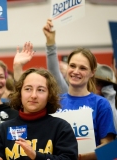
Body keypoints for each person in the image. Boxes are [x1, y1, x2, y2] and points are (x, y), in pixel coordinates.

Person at [42, 19, 116, 159]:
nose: (76, 71)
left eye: (82, 68)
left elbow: (108, 146)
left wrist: (80, 157)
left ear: (92, 73)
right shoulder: (54, 102)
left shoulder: (101, 104)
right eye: (73, 66)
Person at [0, 68, 78, 160]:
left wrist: (36, 156)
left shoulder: (61, 128)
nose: (33, 95)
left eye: (40, 90)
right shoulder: (2, 130)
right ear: (20, 92)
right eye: (28, 89)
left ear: (49, 95)